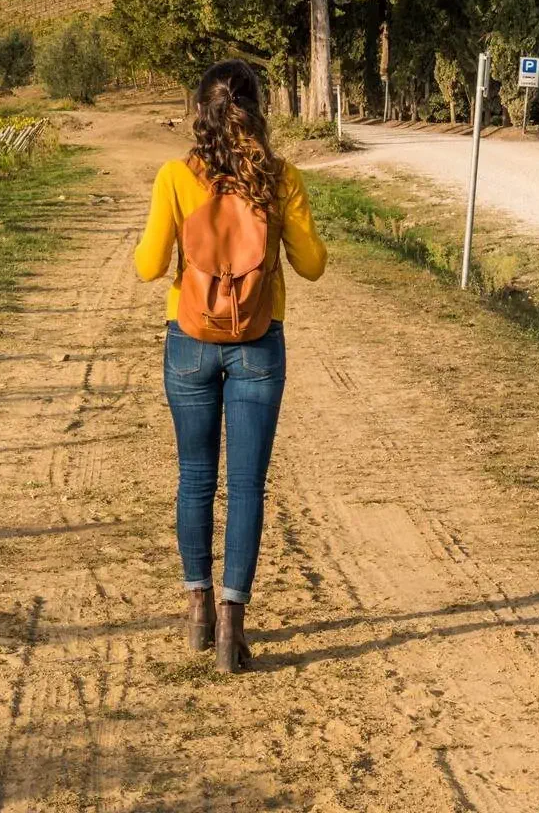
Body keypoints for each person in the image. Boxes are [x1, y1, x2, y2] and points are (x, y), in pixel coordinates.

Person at [134, 60, 326, 673]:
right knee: (245, 486)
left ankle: (196, 610)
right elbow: (314, 264)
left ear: (199, 111)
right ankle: (231, 628)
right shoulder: (280, 177)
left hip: (188, 338)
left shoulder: (174, 176)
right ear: (258, 108)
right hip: (260, 339)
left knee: (195, 477)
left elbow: (145, 266)